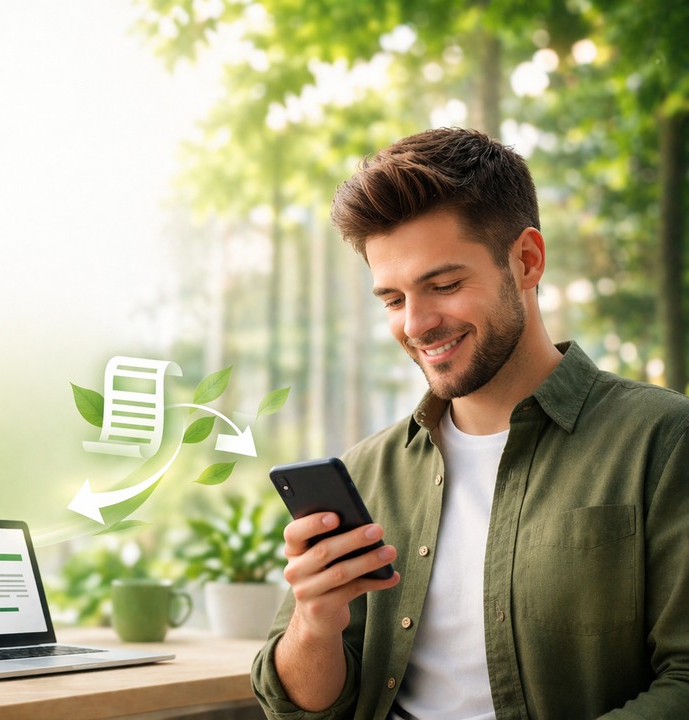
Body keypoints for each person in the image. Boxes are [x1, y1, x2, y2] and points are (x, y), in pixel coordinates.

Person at [250, 127, 689, 719]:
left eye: (444, 285)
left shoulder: (663, 442)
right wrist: (314, 621)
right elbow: (300, 707)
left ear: (527, 260)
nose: (416, 324)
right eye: (393, 300)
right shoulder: (367, 473)